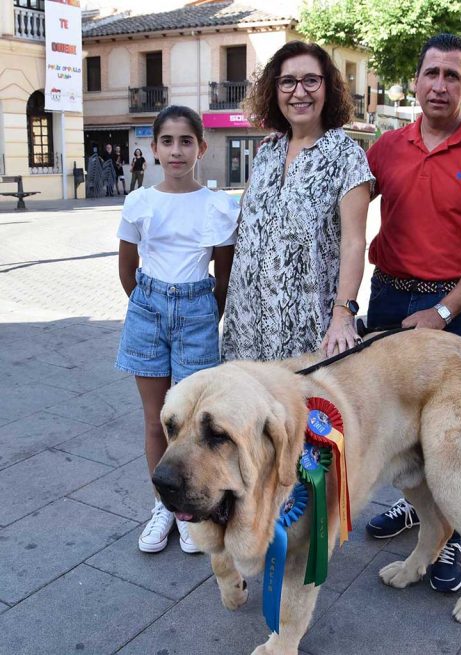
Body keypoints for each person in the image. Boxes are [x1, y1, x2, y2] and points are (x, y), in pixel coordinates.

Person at [362, 33, 461, 594]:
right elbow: (345, 209)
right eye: (432, 73)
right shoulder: (386, 147)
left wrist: (443, 312)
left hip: (450, 305)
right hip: (386, 297)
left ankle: (452, 535)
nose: (440, 85)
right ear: (416, 81)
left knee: (449, 436)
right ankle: (420, 510)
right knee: (396, 426)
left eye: (453, 75)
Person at [115, 105, 239, 555]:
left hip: (197, 316)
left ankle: (187, 508)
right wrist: (148, 305)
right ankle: (162, 506)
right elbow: (128, 269)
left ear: (200, 147)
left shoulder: (219, 206)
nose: (176, 151)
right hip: (147, 311)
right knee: (156, 420)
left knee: (190, 424)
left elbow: (223, 277)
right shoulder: (140, 202)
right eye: (167, 141)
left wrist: (203, 313)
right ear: (153, 148)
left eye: (186, 141)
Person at [221, 41, 373, 361]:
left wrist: (344, 315)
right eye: (288, 81)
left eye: (311, 81)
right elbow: (246, 225)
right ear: (274, 90)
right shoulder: (266, 153)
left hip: (306, 329)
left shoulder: (347, 157)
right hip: (247, 326)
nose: (299, 92)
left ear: (327, 88)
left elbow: (353, 243)